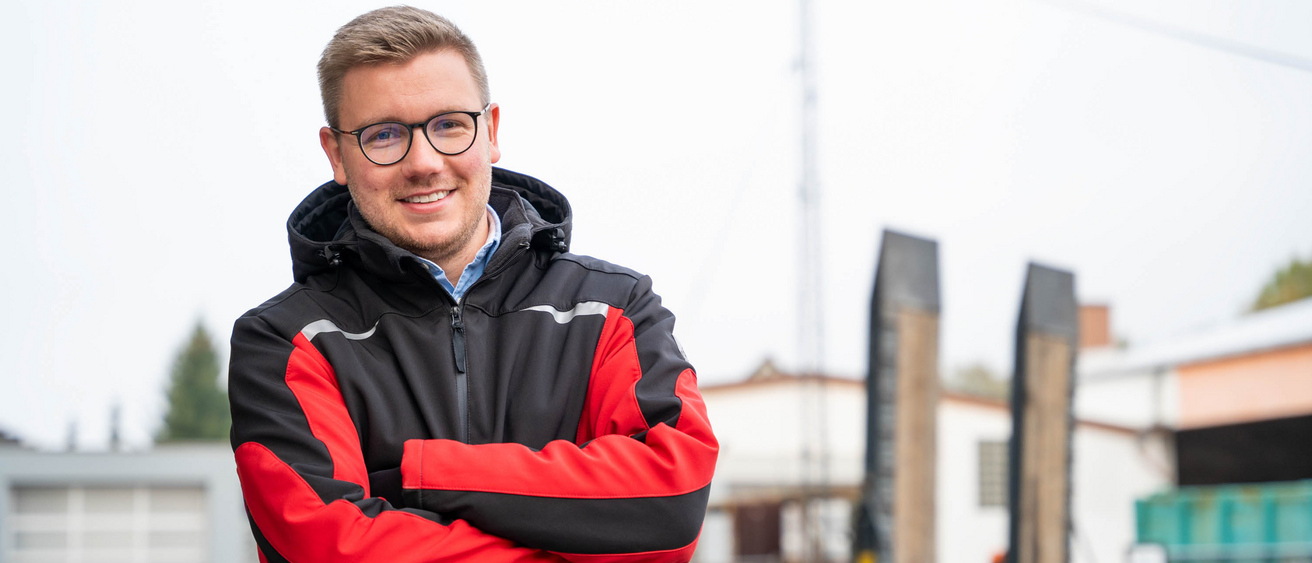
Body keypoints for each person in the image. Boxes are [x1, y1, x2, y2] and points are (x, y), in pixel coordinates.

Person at [227, 6, 718, 562]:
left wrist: (422, 472)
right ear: (336, 154)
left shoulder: (613, 311)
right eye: (383, 135)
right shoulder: (284, 342)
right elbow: (328, 549)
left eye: (449, 125)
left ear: (492, 132)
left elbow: (670, 503)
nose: (424, 161)